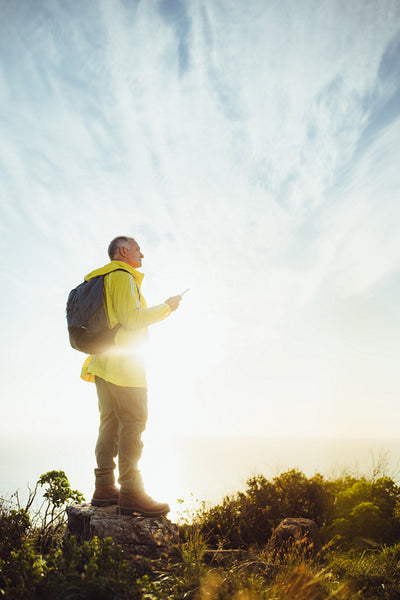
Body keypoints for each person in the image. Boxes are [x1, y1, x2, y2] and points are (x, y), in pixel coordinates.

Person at [81, 236, 181, 516]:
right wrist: (166, 308)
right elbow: (132, 318)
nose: (142, 255)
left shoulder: (99, 280)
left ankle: (103, 488)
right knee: (133, 424)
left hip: (101, 362)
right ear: (123, 251)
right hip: (124, 365)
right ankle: (132, 492)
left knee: (109, 424)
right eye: (138, 250)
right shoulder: (122, 277)